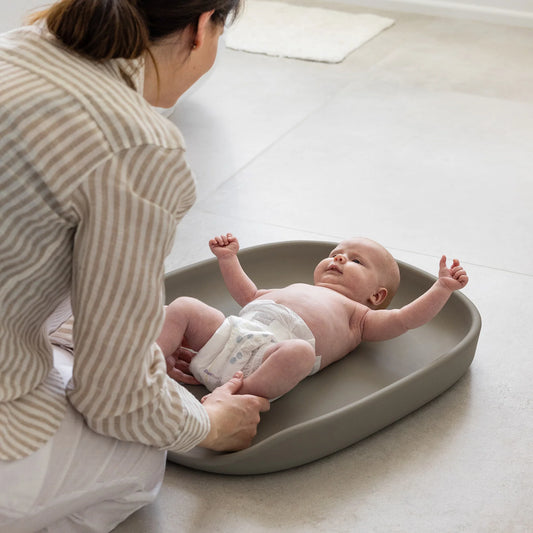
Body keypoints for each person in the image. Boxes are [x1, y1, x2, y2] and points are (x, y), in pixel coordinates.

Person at [0, 1, 270, 531]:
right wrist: (209, 423)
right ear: (202, 27)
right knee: (141, 458)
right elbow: (114, 397)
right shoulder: (138, 145)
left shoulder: (11, 50)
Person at [158, 234, 469, 400]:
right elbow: (248, 295)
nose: (339, 257)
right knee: (184, 306)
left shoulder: (359, 316)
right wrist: (228, 260)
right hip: (227, 337)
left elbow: (405, 319)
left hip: (266, 363)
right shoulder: (294, 287)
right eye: (336, 253)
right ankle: (151, 360)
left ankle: (236, 397)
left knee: (300, 352)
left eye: (356, 261)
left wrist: (442, 288)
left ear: (376, 296)